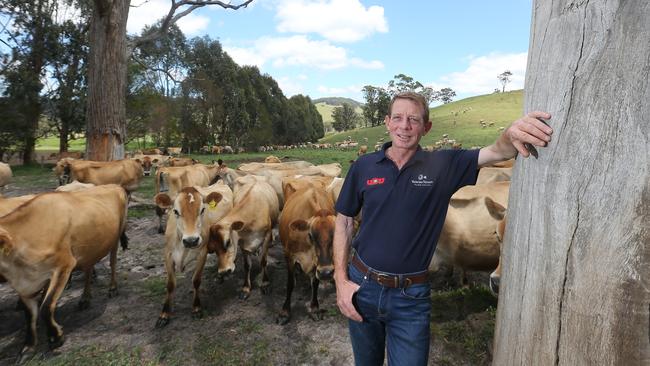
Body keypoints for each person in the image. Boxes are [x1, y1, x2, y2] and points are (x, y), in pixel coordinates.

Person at [333, 91, 552, 365]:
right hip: (362, 286)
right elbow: (343, 221)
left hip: (410, 298)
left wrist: (512, 133)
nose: (405, 126)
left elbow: (497, 151)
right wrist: (341, 281)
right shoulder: (364, 166)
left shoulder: (443, 165)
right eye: (398, 118)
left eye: (413, 120)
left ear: (426, 128)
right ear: (387, 122)